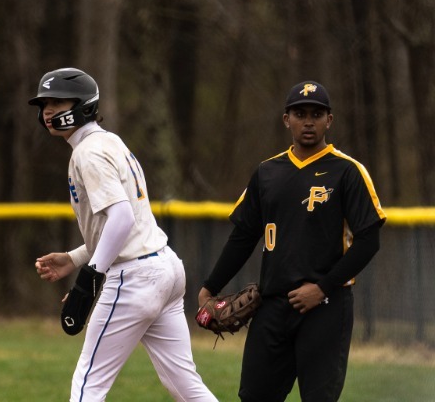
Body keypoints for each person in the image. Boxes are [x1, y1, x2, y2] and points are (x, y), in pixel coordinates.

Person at [30, 67, 218, 402]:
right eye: (44, 104)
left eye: (58, 102)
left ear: (83, 105)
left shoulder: (87, 152)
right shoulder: (109, 141)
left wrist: (88, 279)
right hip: (165, 268)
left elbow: (122, 218)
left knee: (88, 385)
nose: (48, 111)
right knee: (185, 386)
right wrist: (75, 258)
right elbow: (125, 222)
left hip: (135, 277)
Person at [198, 81, 386, 402]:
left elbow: (369, 240)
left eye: (316, 114)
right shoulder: (267, 172)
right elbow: (244, 236)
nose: (308, 121)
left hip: (326, 306)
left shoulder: (347, 171)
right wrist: (210, 286)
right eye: (300, 114)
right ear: (287, 119)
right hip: (272, 306)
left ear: (329, 120)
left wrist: (323, 288)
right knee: (254, 396)